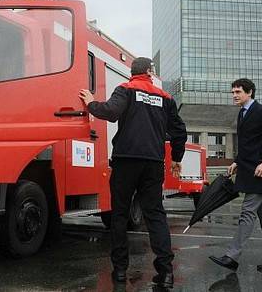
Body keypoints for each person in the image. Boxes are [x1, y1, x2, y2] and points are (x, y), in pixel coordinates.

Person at [78, 57, 187, 289]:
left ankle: (119, 271)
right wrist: (176, 158)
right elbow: (179, 131)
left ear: (132, 72)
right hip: (153, 163)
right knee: (155, 215)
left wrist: (91, 103)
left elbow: (110, 112)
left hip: (126, 161)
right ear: (150, 71)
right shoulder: (165, 98)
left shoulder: (126, 89)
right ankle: (166, 272)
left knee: (119, 214)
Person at [209, 78, 262, 272]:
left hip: (260, 173)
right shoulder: (242, 114)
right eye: (233, 92)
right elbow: (248, 143)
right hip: (248, 170)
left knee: (247, 213)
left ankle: (232, 256)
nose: (234, 95)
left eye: (238, 92)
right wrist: (236, 161)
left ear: (250, 92)